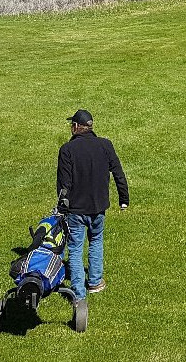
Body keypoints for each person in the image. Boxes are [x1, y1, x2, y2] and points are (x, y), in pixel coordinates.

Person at [57, 108, 129, 301]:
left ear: (75, 127)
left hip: (76, 210)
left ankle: (78, 293)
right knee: (96, 241)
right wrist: (124, 199)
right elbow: (118, 173)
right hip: (98, 207)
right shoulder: (105, 145)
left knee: (75, 248)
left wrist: (61, 208)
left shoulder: (67, 150)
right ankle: (95, 282)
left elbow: (64, 184)